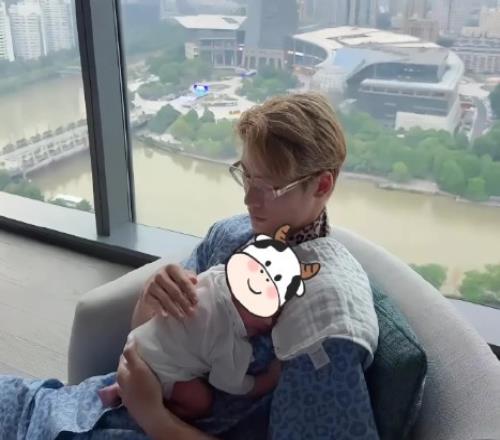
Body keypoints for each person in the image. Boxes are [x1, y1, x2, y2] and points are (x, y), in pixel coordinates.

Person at [123, 92, 380, 439]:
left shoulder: (326, 324)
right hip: (100, 404)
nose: (248, 199)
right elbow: (142, 344)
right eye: (246, 175)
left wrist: (155, 419)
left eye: (270, 187)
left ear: (321, 185)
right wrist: (151, 297)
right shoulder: (231, 232)